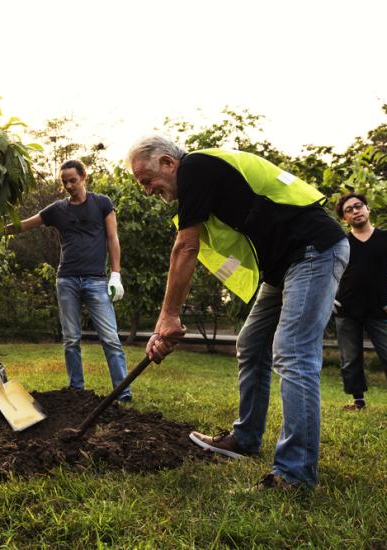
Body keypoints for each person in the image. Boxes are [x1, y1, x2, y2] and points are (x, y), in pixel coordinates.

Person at [127, 136, 348, 491]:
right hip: (285, 265)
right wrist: (168, 316)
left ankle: (295, 474)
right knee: (252, 342)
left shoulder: (196, 167)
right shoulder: (201, 184)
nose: (148, 190)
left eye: (146, 180)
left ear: (168, 163)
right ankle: (245, 439)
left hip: (313, 250)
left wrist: (167, 317)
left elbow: (185, 246)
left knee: (293, 352)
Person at [5, 160, 130, 401]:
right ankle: (76, 390)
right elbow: (25, 225)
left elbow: (113, 239)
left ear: (84, 177)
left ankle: (122, 393)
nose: (69, 186)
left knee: (110, 338)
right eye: (64, 182)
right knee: (71, 338)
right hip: (67, 281)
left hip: (96, 280)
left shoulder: (102, 204)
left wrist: (116, 274)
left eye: (73, 180)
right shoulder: (57, 210)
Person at [332, 192, 387, 410]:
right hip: (346, 310)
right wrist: (328, 298)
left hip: (381, 309)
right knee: (350, 360)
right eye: (349, 210)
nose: (355, 211)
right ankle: (358, 401)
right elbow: (326, 272)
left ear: (367, 208)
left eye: (358, 206)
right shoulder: (341, 242)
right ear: (345, 219)